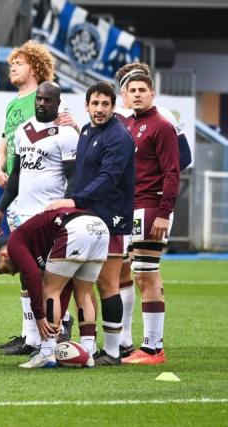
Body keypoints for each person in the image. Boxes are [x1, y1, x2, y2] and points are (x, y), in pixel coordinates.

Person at [0, 41, 79, 351]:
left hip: (48, 199)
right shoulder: (14, 106)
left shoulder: (53, 101)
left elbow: (70, 138)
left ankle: (60, 324)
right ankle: (28, 332)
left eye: (19, 62)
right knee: (24, 266)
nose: (12, 67)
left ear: (36, 65)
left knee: (47, 269)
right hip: (20, 194)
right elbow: (7, 142)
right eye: (11, 63)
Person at [45, 82, 135, 365]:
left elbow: (109, 178)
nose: (99, 109)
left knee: (107, 283)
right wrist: (74, 200)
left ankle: (112, 351)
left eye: (105, 104)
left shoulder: (119, 137)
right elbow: (82, 175)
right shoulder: (86, 131)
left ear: (113, 106)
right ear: (86, 105)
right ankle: (89, 345)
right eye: (94, 104)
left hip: (110, 218)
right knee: (84, 282)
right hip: (85, 216)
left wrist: (74, 200)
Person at [113, 63, 190, 357]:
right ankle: (133, 342)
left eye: (142, 90)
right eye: (132, 90)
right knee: (133, 273)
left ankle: (153, 348)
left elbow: (173, 172)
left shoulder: (161, 125)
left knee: (146, 275)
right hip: (131, 208)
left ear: (152, 94)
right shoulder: (129, 124)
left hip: (150, 208)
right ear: (125, 95)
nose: (137, 95)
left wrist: (163, 212)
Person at [0, 208, 108, 368]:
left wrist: (39, 316)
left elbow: (31, 276)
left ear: (3, 255)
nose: (12, 274)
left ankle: (47, 352)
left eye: (5, 269)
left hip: (75, 227)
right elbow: (65, 287)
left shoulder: (14, 243)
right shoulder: (40, 242)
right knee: (84, 293)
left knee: (49, 287)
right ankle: (88, 351)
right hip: (98, 227)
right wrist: (56, 321)